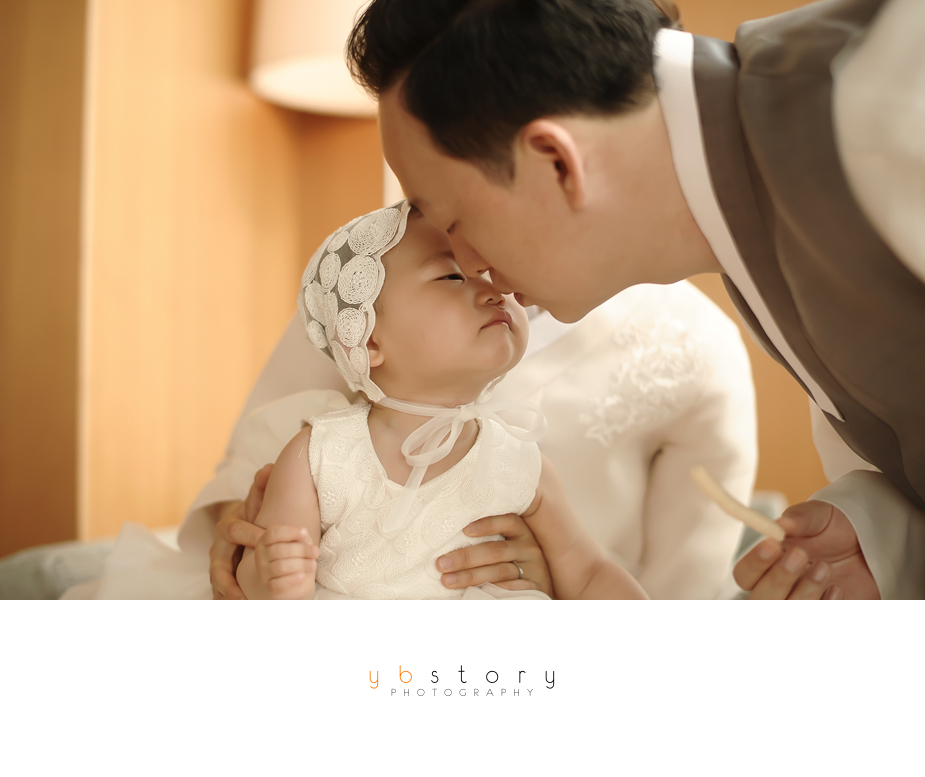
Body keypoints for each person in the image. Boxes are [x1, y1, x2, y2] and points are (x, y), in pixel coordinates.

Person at [340, 0, 925, 599]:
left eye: (454, 221)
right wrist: (881, 538)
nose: (469, 264)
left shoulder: (891, 83)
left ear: (557, 163)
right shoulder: (754, 237)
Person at [234, 198, 648, 599]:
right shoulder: (320, 455)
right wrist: (274, 577)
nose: (496, 292)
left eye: (495, 273)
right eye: (452, 277)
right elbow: (261, 567)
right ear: (368, 339)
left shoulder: (519, 461)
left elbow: (589, 574)